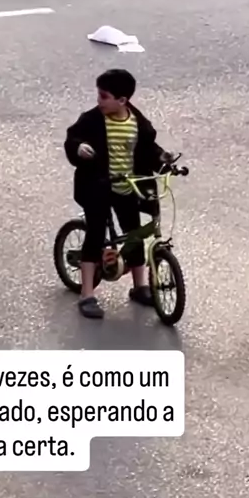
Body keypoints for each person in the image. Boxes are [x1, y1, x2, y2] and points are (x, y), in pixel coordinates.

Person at [64, 68, 173, 319]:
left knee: (134, 234)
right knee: (95, 235)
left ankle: (140, 286)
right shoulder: (92, 120)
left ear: (122, 100)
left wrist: (163, 160)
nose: (99, 101)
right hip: (97, 185)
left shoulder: (137, 123)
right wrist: (79, 148)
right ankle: (87, 294)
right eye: (99, 95)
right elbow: (73, 139)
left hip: (128, 186)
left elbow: (148, 149)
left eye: (104, 96)